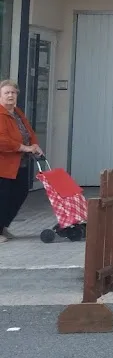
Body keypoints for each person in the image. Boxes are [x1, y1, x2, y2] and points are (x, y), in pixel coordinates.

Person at [0, 80, 42, 242]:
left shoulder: (17, 112)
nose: (10, 95)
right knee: (3, 197)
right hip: (4, 164)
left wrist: (35, 144)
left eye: (13, 92)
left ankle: (3, 226)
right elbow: (2, 141)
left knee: (20, 193)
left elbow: (28, 131)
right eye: (6, 93)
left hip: (19, 163)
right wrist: (24, 148)